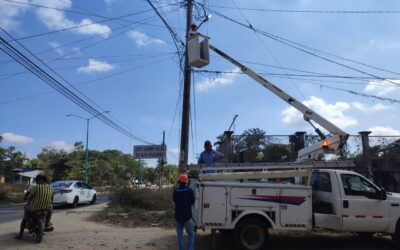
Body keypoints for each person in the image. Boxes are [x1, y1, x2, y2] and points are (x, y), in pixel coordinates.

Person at [15, 174, 54, 239]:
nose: (36, 181)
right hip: (47, 208)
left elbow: (30, 197)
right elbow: (52, 199)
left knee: (25, 217)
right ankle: (47, 222)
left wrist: (28, 202)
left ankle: (20, 235)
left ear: (41, 180)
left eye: (37, 180)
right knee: (50, 209)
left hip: (35, 208)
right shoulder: (51, 188)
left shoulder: (36, 187)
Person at [173, 174, 195, 250]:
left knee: (180, 234)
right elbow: (192, 202)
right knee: (191, 233)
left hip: (178, 216)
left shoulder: (175, 191)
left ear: (179, 181)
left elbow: (174, 201)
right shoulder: (190, 190)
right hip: (187, 217)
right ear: (187, 182)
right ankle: (190, 248)